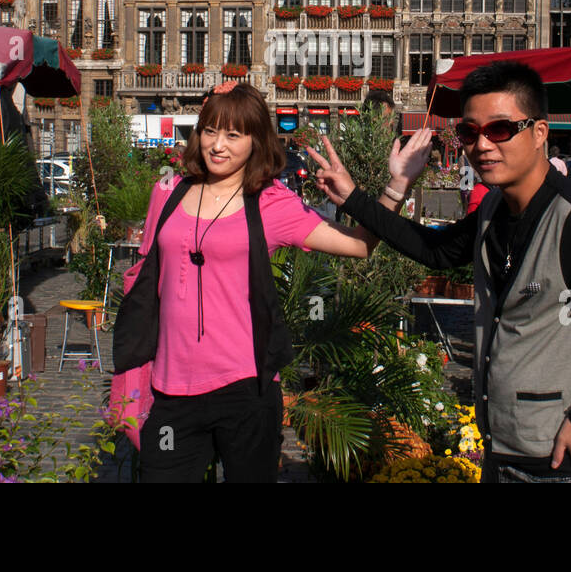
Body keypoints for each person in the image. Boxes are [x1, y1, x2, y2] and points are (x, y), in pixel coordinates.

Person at [307, 61, 571, 482]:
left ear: (539, 133)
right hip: (504, 452)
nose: (483, 145)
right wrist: (355, 198)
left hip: (560, 462)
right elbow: (436, 251)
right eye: (470, 133)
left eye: (500, 129)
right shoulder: (495, 207)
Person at [111, 82, 422, 482]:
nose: (217, 145)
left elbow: (361, 245)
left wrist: (395, 187)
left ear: (256, 141)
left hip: (245, 391)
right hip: (170, 392)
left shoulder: (271, 202)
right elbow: (146, 276)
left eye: (233, 135)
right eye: (210, 131)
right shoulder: (167, 192)